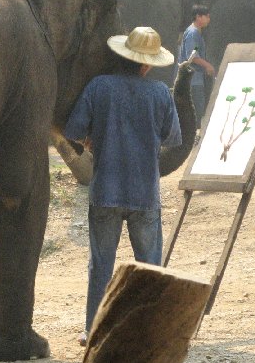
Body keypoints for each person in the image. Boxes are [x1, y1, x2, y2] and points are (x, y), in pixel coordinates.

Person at [63, 26, 182, 346]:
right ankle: (150, 332)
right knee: (150, 267)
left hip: (105, 192)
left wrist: (92, 141)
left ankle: (94, 330)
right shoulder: (159, 93)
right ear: (147, 65)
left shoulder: (99, 87)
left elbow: (73, 129)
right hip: (144, 193)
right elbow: (174, 137)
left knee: (101, 263)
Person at [177, 4, 215, 129]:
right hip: (193, 80)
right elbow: (192, 56)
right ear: (198, 17)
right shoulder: (193, 33)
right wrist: (208, 65)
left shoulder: (196, 32)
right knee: (197, 112)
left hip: (197, 78)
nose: (208, 19)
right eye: (207, 17)